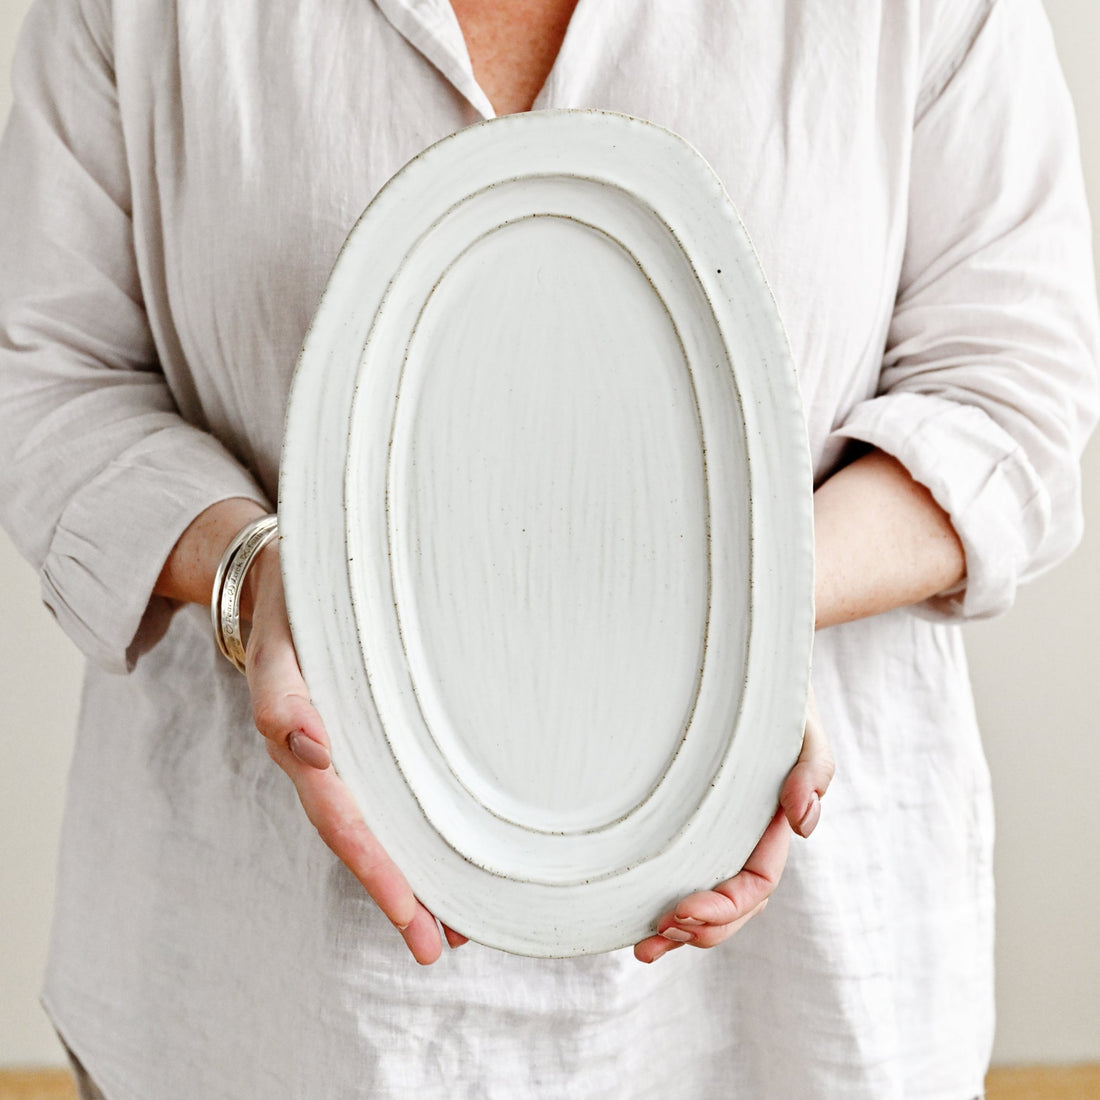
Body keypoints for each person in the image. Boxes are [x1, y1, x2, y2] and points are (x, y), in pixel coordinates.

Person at [0, 0, 1096, 1096]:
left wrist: (742, 620)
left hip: (788, 1004)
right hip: (260, 991)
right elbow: (47, 374)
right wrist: (256, 575)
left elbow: (1016, 388)